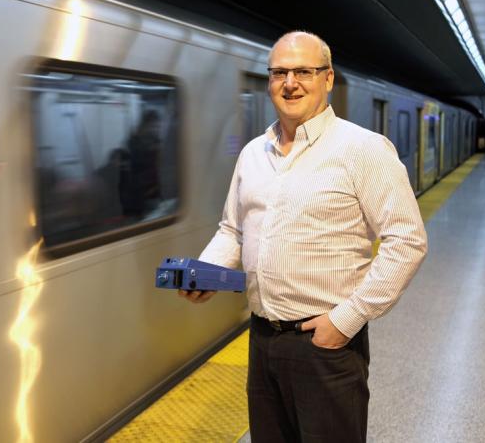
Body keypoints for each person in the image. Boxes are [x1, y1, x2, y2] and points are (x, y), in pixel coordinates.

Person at [179, 31, 427, 442]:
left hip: (325, 345)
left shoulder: (363, 149)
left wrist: (346, 320)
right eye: (278, 72)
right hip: (262, 340)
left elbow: (408, 241)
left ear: (327, 79)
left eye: (302, 72)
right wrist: (208, 272)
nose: (289, 82)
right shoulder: (253, 154)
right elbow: (233, 229)